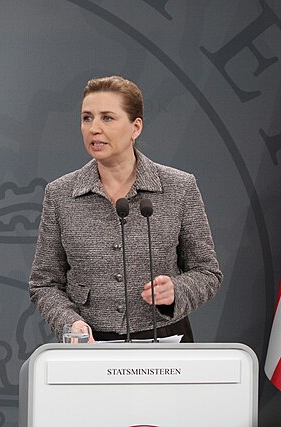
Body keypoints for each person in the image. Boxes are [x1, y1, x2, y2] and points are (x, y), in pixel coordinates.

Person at [28, 76, 221, 343]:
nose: (94, 128)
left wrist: (176, 290)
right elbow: (44, 283)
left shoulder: (179, 187)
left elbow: (207, 273)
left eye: (107, 118)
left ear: (135, 127)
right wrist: (69, 323)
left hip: (165, 339)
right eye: (87, 118)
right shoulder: (60, 194)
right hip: (90, 344)